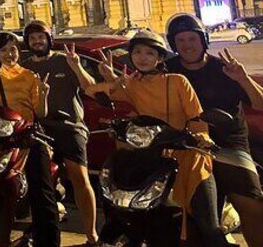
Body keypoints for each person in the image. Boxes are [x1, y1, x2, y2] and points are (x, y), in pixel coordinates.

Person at [88, 29, 227, 246]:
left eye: (150, 53)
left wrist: (201, 137)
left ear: (160, 57)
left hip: (189, 157)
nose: (143, 58)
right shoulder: (132, 83)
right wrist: (113, 83)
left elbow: (196, 117)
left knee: (208, 225)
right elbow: (91, 91)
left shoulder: (178, 81)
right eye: (137, 53)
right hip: (153, 159)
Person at [164, 14, 263, 246]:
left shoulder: (223, 68)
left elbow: (259, 104)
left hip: (229, 145)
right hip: (189, 147)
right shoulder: (167, 71)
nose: (187, 45)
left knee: (251, 204)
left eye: (192, 39)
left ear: (203, 40)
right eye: (181, 40)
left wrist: (243, 79)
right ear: (173, 44)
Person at [20, 20, 98, 244]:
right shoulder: (25, 68)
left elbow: (89, 87)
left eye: (41, 37)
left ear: (48, 40)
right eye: (33, 38)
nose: (37, 41)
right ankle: (40, 228)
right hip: (41, 131)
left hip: (70, 127)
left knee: (80, 178)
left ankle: (91, 234)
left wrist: (77, 66)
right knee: (38, 180)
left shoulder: (65, 60)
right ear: (28, 42)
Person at [0, 32, 57, 247]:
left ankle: (48, 241)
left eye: (12, 49)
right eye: (3, 50)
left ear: (18, 52)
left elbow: (40, 113)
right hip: (3, 140)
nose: (8, 54)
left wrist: (44, 93)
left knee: (42, 192)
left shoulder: (30, 76)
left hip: (28, 137)